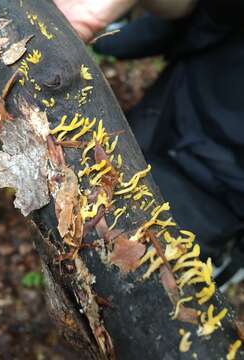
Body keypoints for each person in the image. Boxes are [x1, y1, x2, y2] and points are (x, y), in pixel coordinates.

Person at [54, 0, 244, 285]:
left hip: (209, 204)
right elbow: (196, 16)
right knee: (76, 241)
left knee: (128, 281)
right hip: (146, 143)